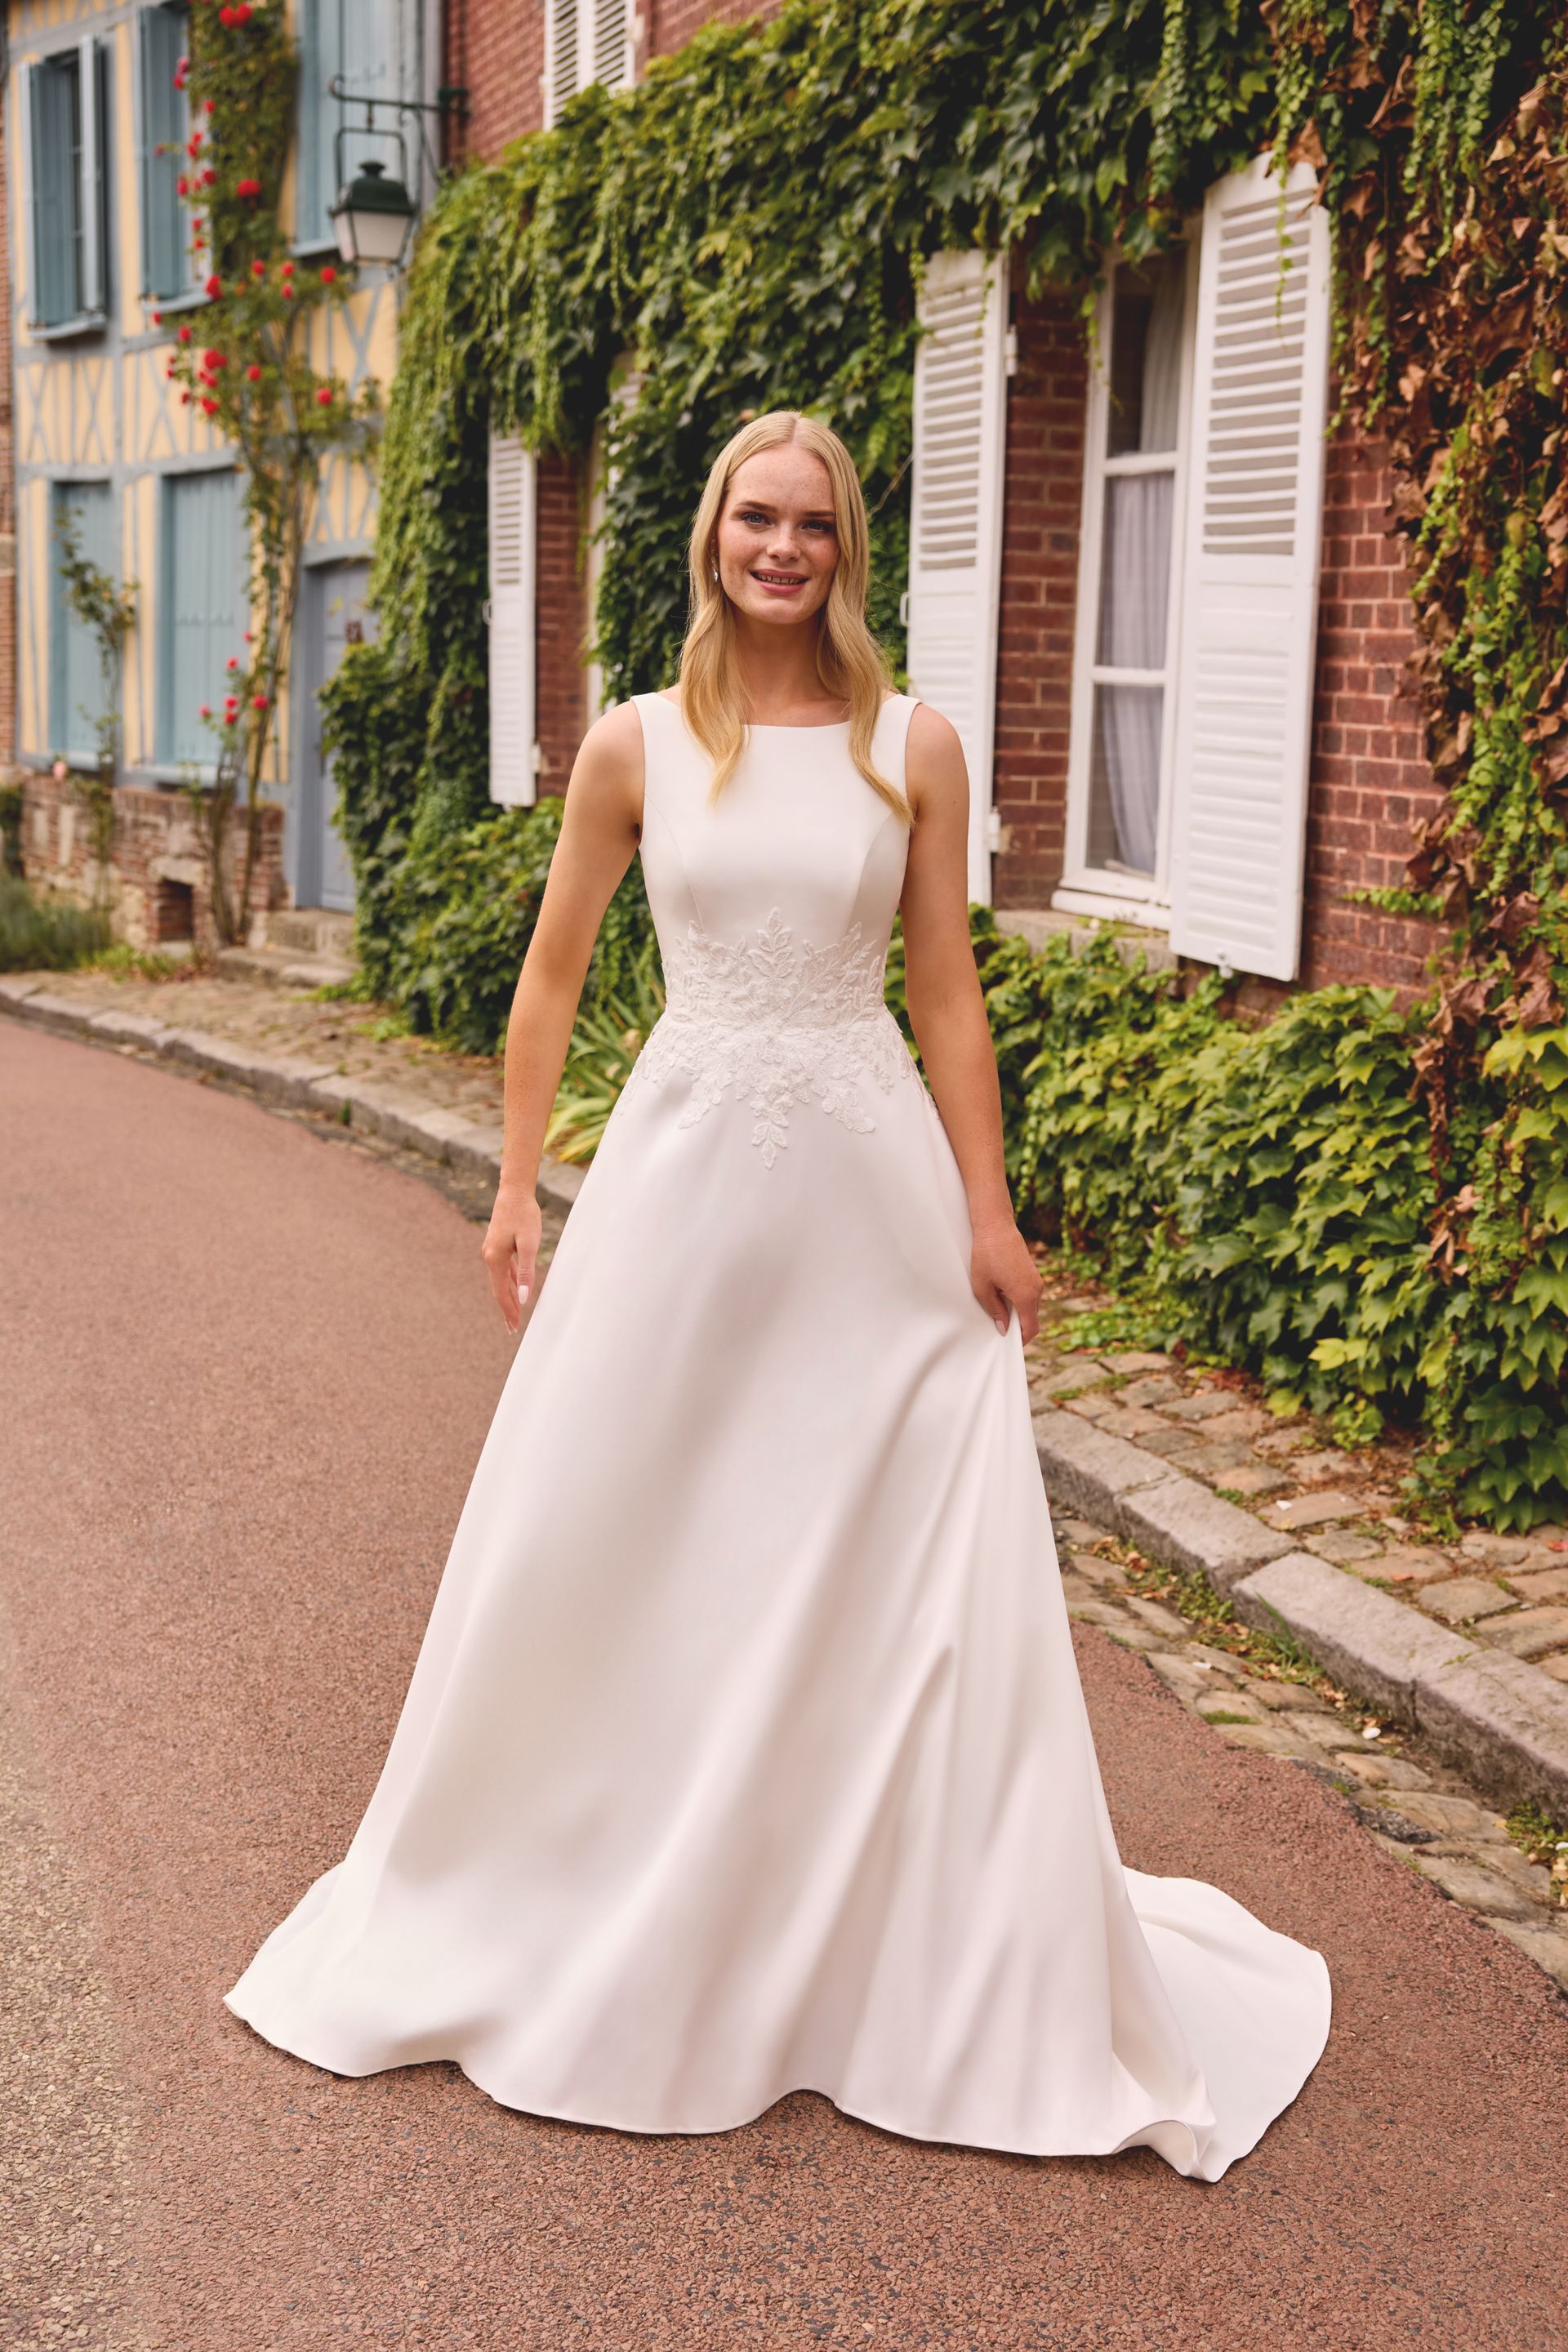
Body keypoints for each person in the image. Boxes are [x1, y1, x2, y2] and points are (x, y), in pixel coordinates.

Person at [225, 410, 1330, 2179]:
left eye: (814, 522)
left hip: (868, 1193)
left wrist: (992, 1208)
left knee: (876, 1539)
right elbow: (557, 970)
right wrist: (516, 1182)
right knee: (628, 1524)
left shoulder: (918, 748)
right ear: (712, 534)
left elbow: (950, 995)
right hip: (677, 1188)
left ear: (848, 547)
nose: (783, 547)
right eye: (758, 516)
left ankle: (869, 1924)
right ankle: (602, 1877)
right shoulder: (638, 745)